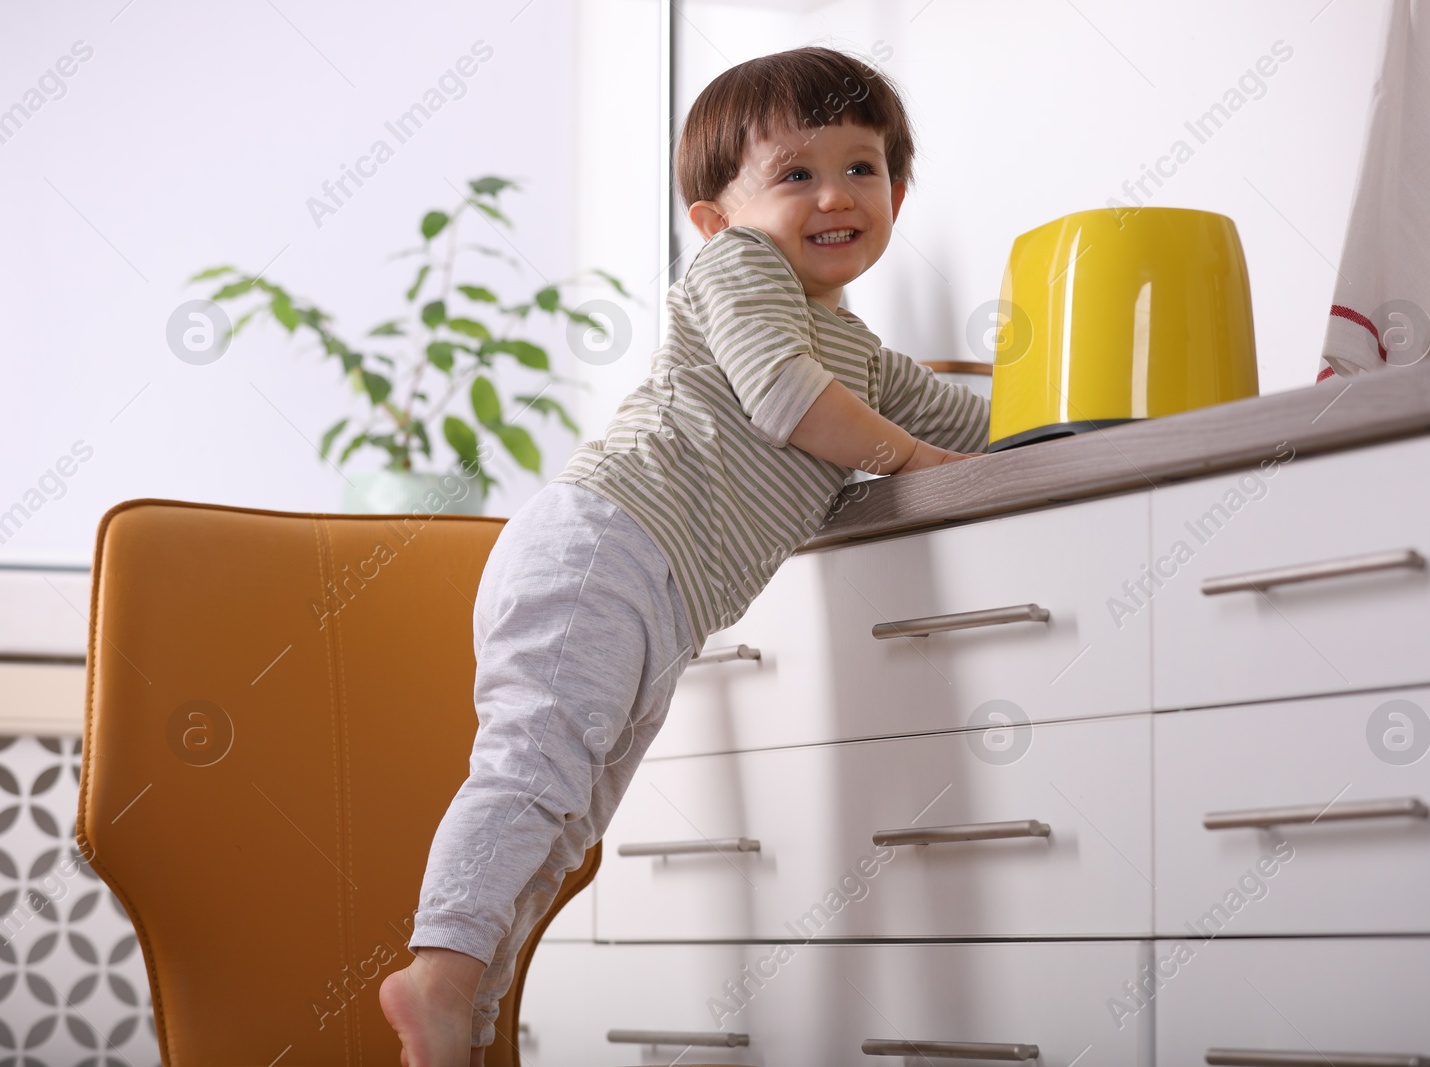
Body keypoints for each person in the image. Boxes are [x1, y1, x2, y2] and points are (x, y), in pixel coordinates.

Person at [379, 44, 990, 1066]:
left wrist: (1088, 418)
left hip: (661, 592)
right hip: (604, 541)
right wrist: (915, 455)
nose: (835, 193)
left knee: (568, 820)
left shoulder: (858, 350)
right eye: (795, 173)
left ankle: (464, 1025)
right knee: (535, 766)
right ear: (714, 215)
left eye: (862, 167)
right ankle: (436, 974)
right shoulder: (737, 267)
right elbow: (785, 399)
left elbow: (971, 420)